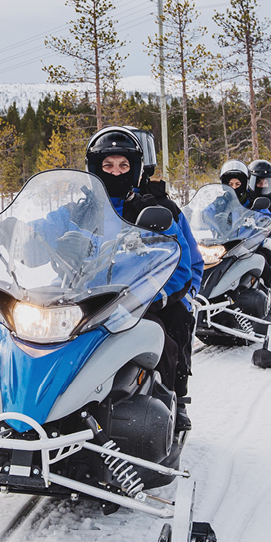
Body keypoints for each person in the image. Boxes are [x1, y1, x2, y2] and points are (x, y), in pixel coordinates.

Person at [86, 127, 198, 431]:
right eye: (108, 166)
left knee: (171, 325)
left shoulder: (155, 209)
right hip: (85, 296)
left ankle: (172, 398)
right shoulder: (82, 208)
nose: (115, 172)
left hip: (138, 297)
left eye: (123, 166)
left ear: (134, 169)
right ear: (96, 169)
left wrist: (156, 295)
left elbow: (181, 264)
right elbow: (47, 229)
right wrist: (19, 232)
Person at [243, 160, 271, 319]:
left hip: (259, 245)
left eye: (266, 182)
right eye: (259, 181)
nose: (263, 185)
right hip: (238, 243)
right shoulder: (243, 200)